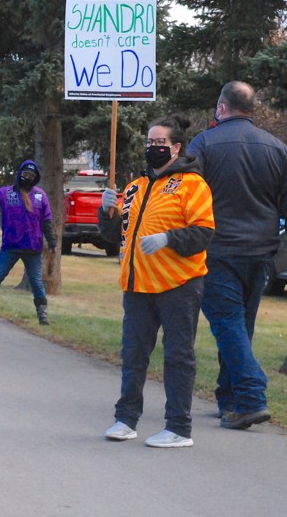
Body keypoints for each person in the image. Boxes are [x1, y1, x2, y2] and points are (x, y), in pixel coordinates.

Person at [99, 115, 214, 448]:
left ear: (176, 147)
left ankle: (179, 427)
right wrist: (106, 212)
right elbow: (114, 236)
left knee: (178, 356)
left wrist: (168, 239)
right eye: (149, 143)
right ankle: (126, 419)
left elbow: (204, 233)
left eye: (160, 143)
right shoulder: (136, 186)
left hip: (179, 284)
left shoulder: (193, 185)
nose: (153, 148)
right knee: (133, 354)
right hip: (137, 285)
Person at [187, 81, 287, 430]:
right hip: (261, 253)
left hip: (218, 249)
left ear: (222, 107)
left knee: (227, 323)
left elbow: (186, 196)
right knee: (241, 325)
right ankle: (228, 398)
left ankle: (251, 396)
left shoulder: (203, 144)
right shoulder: (278, 149)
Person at [0, 160, 57, 325]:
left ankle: (43, 316)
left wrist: (52, 242)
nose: (27, 178)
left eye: (31, 176)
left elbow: (46, 222)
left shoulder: (40, 196)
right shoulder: (6, 193)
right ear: (19, 175)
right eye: (25, 174)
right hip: (10, 246)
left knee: (37, 282)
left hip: (32, 247)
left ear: (35, 178)